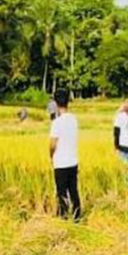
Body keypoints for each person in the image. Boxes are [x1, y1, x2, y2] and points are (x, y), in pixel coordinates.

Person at [49, 89, 81, 220]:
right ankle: (77, 217)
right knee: (73, 191)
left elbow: (52, 144)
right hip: (73, 161)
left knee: (62, 193)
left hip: (60, 163)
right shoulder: (73, 120)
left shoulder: (57, 122)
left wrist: (51, 156)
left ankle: (63, 217)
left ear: (56, 103)